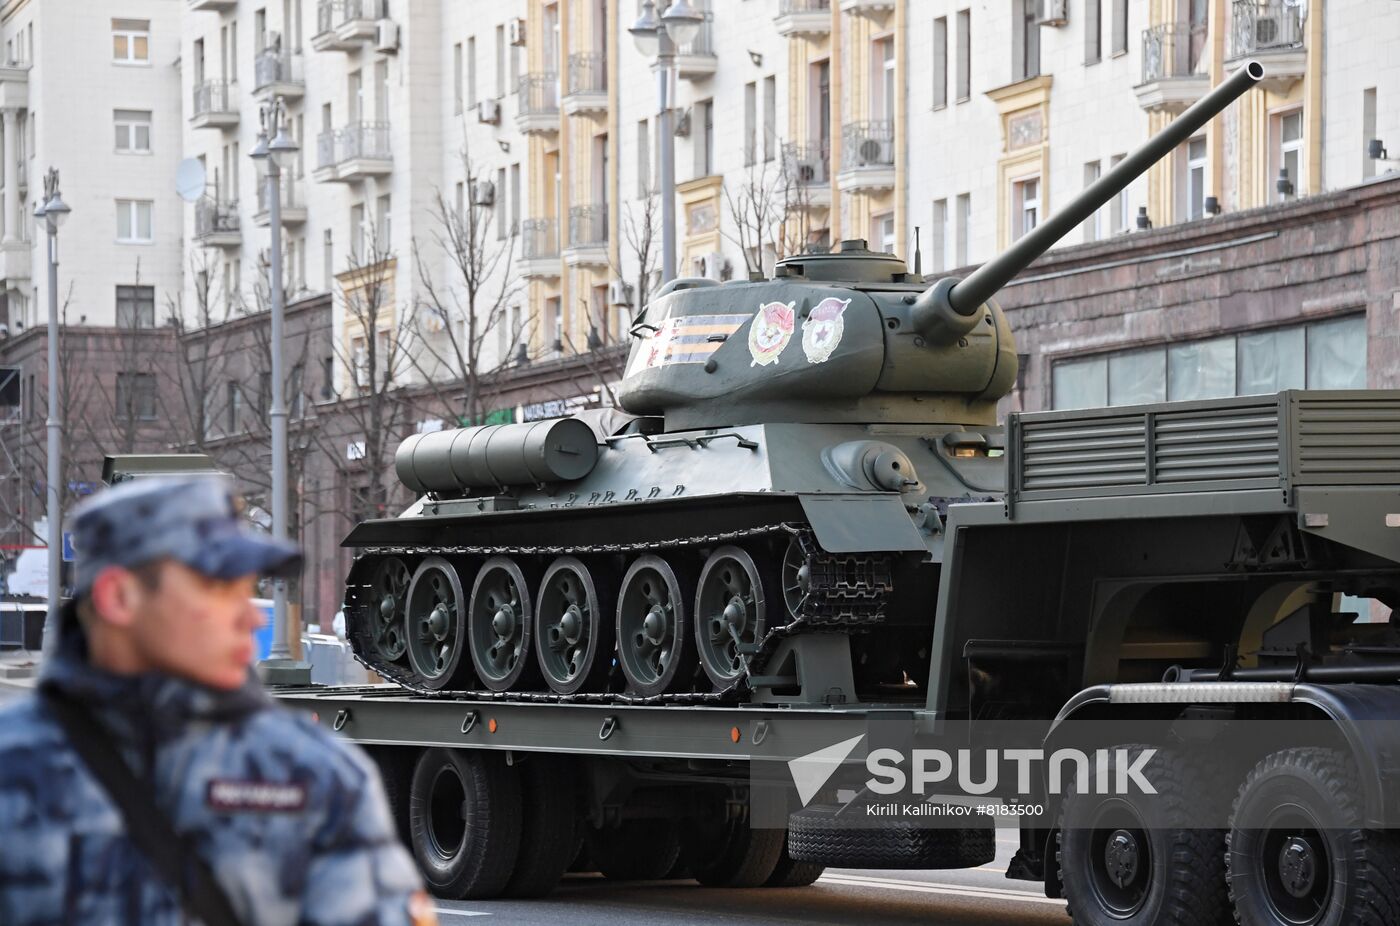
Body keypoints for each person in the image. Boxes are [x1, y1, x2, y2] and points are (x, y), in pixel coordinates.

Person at [0, 476, 435, 925]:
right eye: (217, 586)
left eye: (248, 587)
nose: (250, 614)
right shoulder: (11, 768)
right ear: (119, 596)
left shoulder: (312, 774)